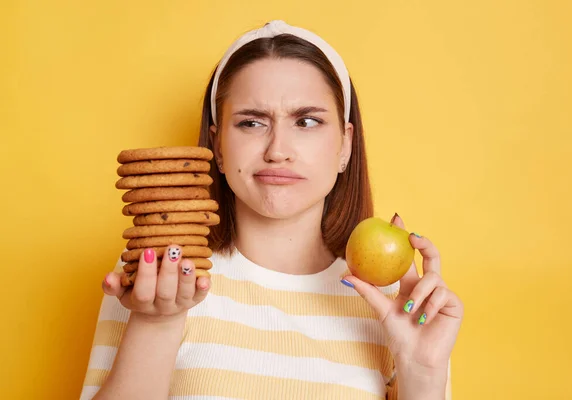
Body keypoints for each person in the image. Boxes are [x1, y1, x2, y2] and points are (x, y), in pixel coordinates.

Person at [80, 20, 463, 400]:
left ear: (345, 145)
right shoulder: (163, 274)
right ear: (218, 146)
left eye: (307, 121)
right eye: (251, 122)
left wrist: (423, 374)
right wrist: (155, 322)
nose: (278, 150)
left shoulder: (393, 301)